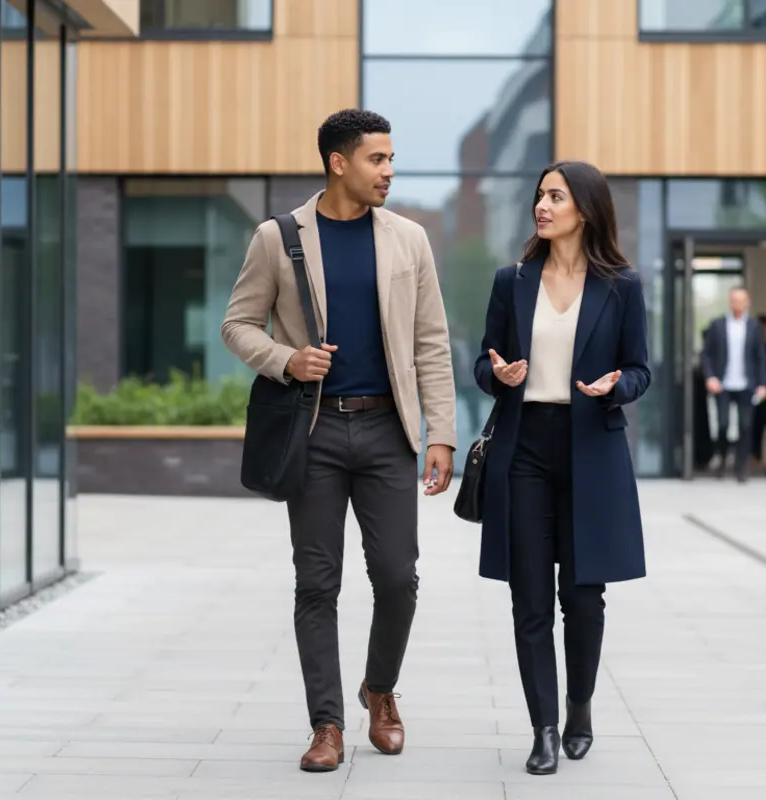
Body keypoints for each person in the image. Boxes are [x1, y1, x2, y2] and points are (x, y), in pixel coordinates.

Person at [220, 109, 458, 773]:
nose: (388, 171)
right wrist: (286, 359)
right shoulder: (278, 238)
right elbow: (238, 324)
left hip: (388, 430)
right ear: (338, 162)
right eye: (377, 159)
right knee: (317, 582)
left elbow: (431, 342)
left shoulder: (409, 239)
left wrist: (441, 434)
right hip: (315, 430)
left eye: (390, 159)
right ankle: (326, 724)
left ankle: (379, 691)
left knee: (398, 577)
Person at [473, 160, 650, 776]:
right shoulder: (513, 280)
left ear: (586, 209)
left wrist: (616, 385)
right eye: (540, 196)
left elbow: (641, 369)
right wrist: (497, 374)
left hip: (591, 449)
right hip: (525, 447)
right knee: (529, 599)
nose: (542, 206)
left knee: (583, 597)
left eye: (556, 197)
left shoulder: (622, 285)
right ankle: (543, 729)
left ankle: (579, 707)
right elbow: (484, 362)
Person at [700, 287, 766, 482]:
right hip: (723, 384)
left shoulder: (754, 326)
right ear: (730, 302)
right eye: (734, 300)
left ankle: (742, 467)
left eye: (741, 300)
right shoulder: (718, 325)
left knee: (746, 426)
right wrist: (710, 377)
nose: (737, 303)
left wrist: (763, 383)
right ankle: (722, 459)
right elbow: (707, 354)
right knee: (722, 424)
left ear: (747, 302)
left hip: (746, 384)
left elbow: (760, 357)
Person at [750, 313, 766, 468]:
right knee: (754, 423)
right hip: (754, 389)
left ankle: (763, 458)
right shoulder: (753, 345)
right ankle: (754, 455)